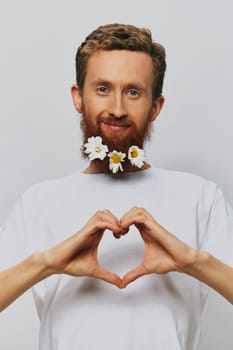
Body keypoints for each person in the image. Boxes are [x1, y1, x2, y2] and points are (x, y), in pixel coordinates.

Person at [1, 23, 233, 349]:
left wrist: (191, 261)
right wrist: (48, 263)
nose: (118, 109)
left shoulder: (201, 197)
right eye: (102, 89)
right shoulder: (37, 201)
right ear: (77, 97)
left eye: (133, 92)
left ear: (156, 106)